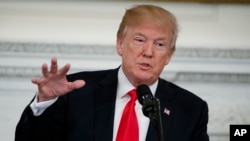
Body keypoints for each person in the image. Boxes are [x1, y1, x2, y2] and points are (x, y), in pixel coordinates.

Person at [15, 4, 209, 141]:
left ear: (169, 55)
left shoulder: (191, 110)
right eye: (140, 40)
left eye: (159, 44)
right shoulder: (75, 92)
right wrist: (45, 102)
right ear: (120, 44)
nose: (148, 52)